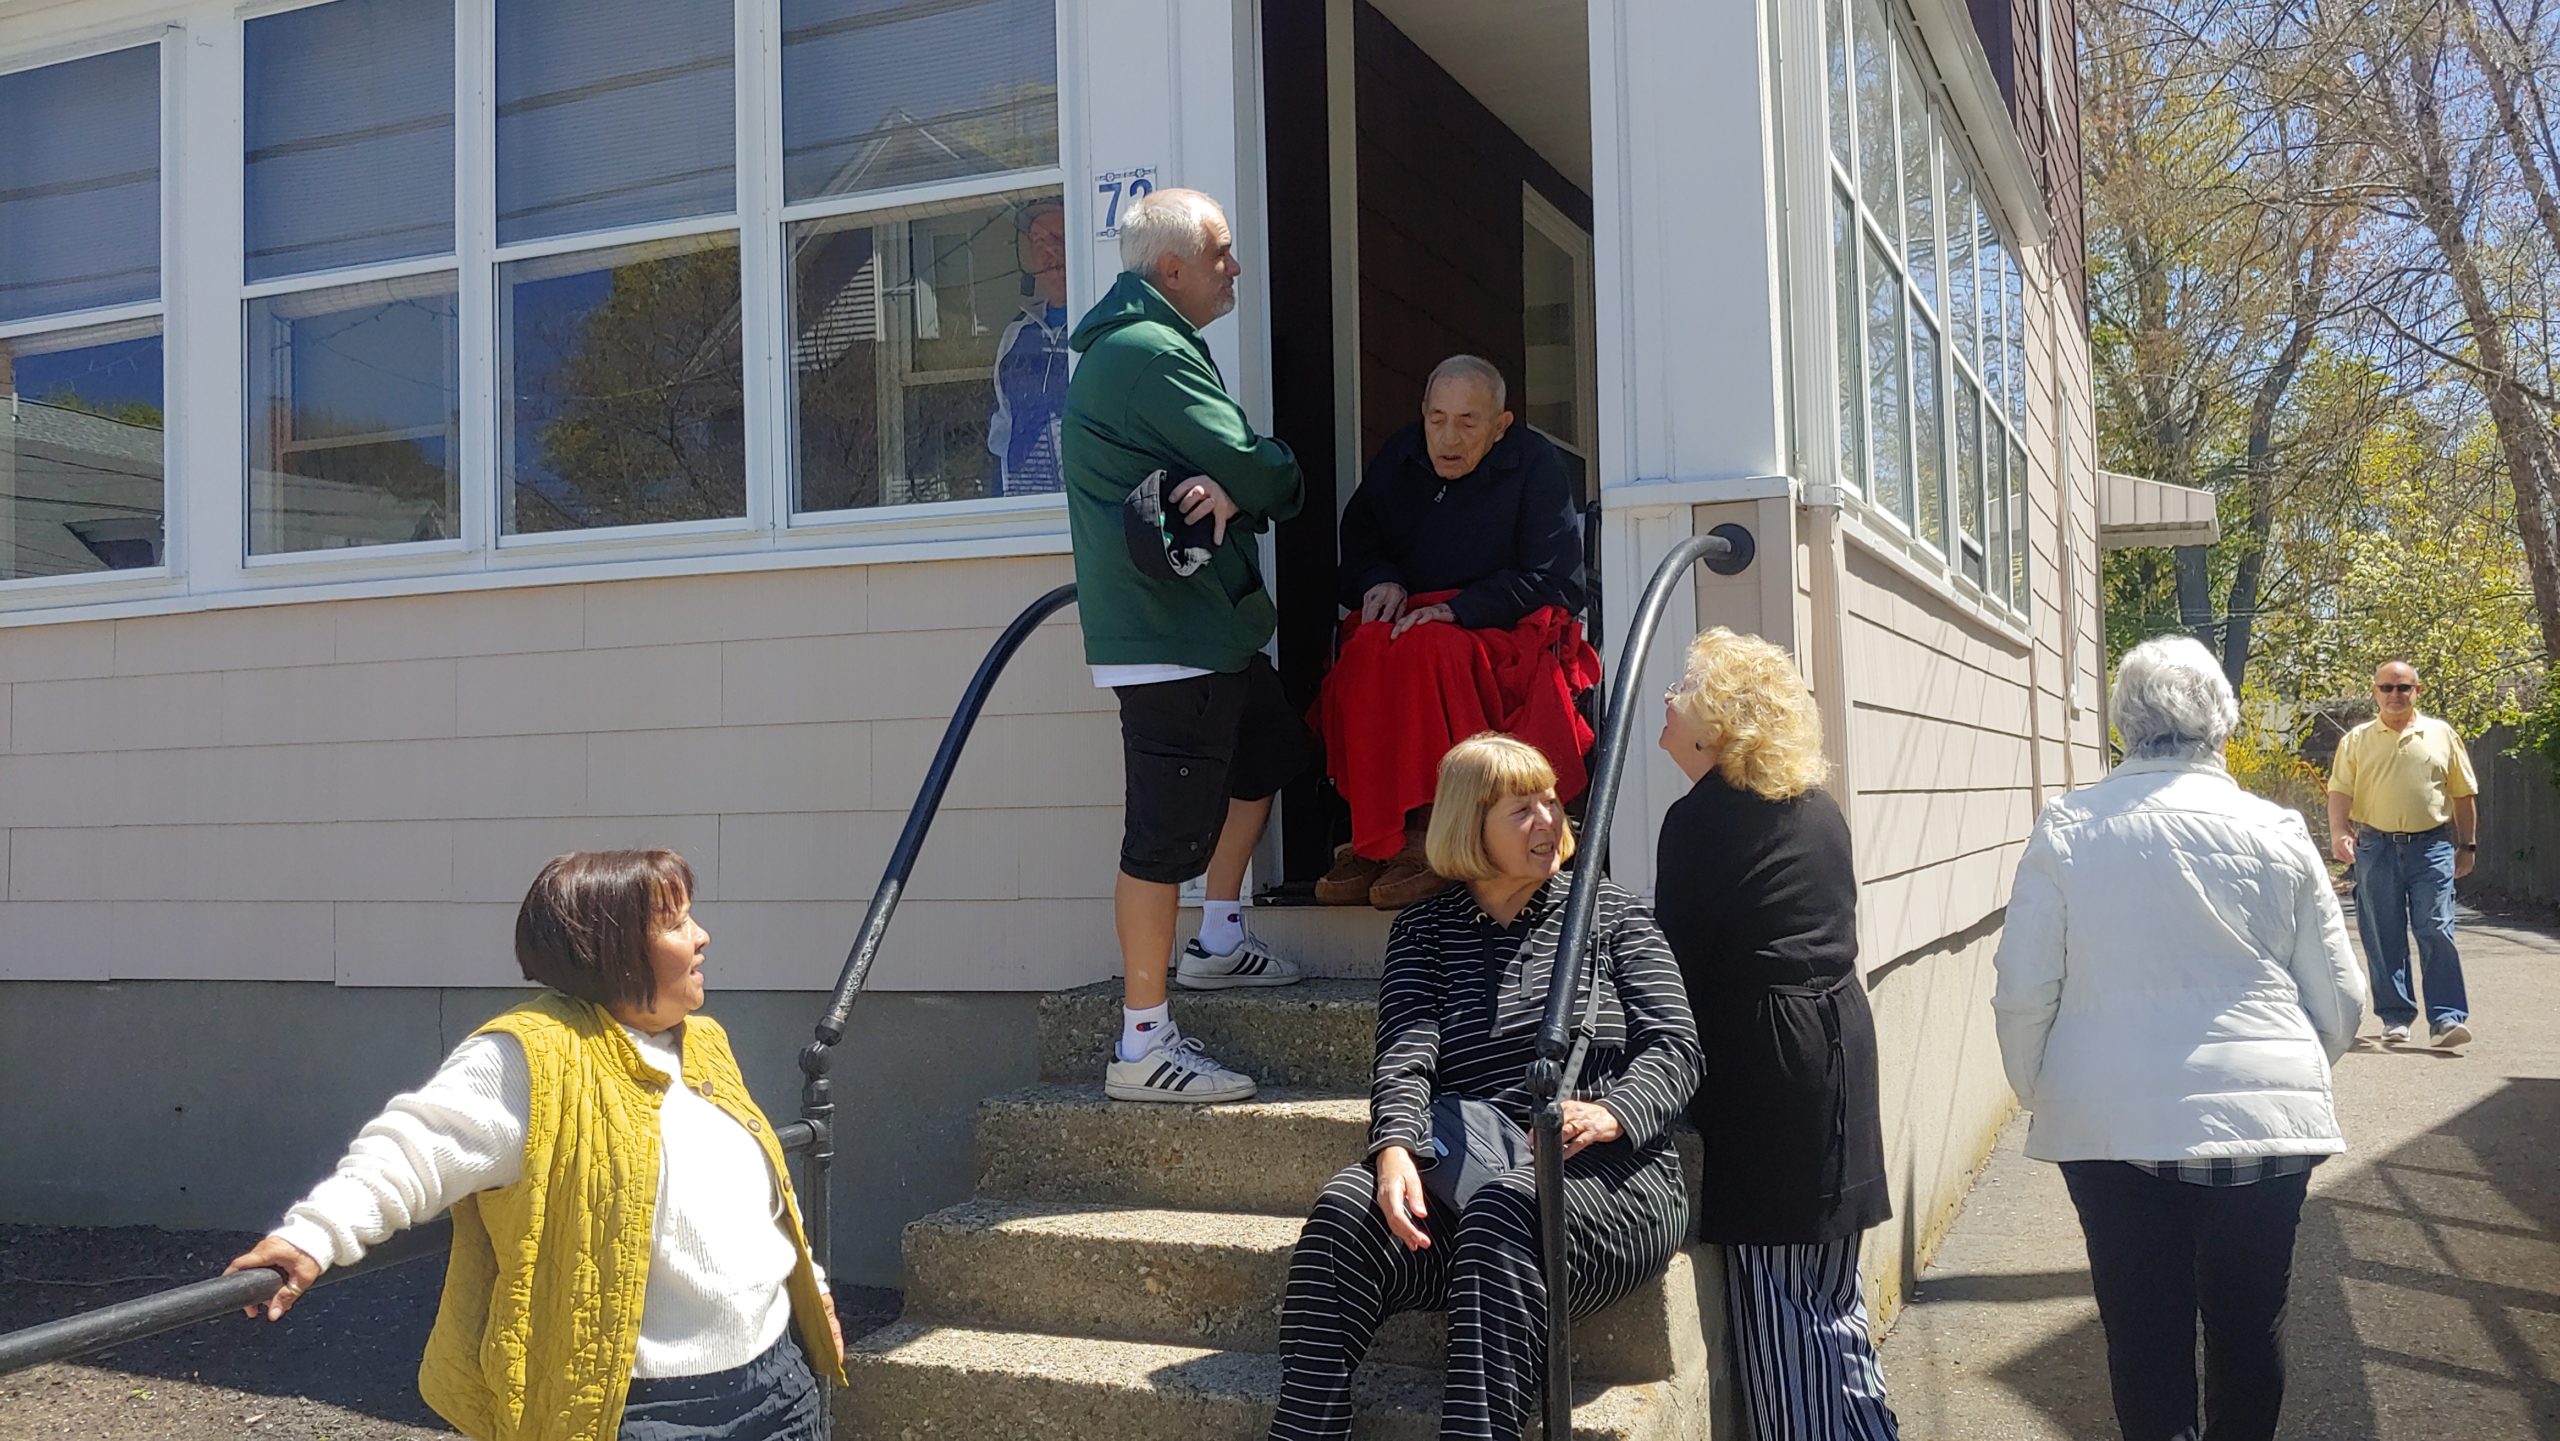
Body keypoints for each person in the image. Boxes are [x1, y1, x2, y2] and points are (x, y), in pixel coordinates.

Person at [223, 850, 846, 1441]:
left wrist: (811, 1287)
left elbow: (757, 1194)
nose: (701, 936)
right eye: (676, 922)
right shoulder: (531, 1056)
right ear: (612, 950)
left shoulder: (703, 1042)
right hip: (643, 1412)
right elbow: (409, 1153)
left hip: (778, 1382)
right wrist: (311, 1237)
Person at [1269, 733, 1699, 1441]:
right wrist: (1395, 1148)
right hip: (1472, 1172)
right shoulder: (1424, 931)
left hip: (1609, 1180)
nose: (1548, 820)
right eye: (1521, 809)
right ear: (1470, 827)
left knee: (1506, 1209)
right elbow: (1405, 1056)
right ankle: (1307, 1428)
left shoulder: (1611, 915)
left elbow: (1675, 1046)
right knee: (1344, 1210)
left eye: (1551, 801)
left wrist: (1613, 1112)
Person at [1994, 637, 2367, 1441]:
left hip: (2113, 1130)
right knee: (2249, 1328)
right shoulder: (2278, 829)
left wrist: (2044, 1091)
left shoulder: (2068, 828)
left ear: (2121, 723)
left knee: (2143, 1337)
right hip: (2265, 1128)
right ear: (2222, 721)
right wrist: (2294, 1068)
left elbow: (2023, 988)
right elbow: (2341, 996)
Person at [1062, 187, 1312, 1105]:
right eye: (1220, 253)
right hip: (1170, 641)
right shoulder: (1148, 354)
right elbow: (1265, 467)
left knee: (1269, 752)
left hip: (1207, 630)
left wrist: (1237, 486)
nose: (1234, 267)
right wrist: (1258, 481)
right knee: (1160, 843)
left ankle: (1218, 937)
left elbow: (1229, 471)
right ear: (1172, 269)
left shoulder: (1148, 345)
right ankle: (1143, 1043)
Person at [1652, 627, 1899, 1440]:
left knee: (1784, 1308)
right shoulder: (1815, 809)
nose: (1668, 699)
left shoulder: (1700, 821)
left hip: (1772, 1068)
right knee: (1830, 1299)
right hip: (1837, 1046)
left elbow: (1676, 975)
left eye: (1686, 689)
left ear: (1719, 724)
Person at [1312, 355, 1593, 910]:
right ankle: (1375, 839)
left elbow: (1557, 581)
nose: (1448, 437)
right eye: (1437, 419)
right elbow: (1361, 545)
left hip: (1497, 622)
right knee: (1366, 649)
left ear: (1500, 425)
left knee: (1429, 649)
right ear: (1422, 413)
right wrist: (1380, 578)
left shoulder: (1534, 465)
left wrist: (1460, 609)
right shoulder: (1401, 455)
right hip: (1413, 616)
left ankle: (1433, 836)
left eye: (1468, 422)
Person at [2326, 659, 2481, 1050]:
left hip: (2431, 847)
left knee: (2436, 926)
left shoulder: (2441, 734)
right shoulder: (2357, 740)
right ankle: (2395, 1017)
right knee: (2383, 933)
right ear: (2375, 692)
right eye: (2387, 688)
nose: (2395, 695)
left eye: (2403, 688)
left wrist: (2467, 846)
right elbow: (2340, 790)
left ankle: (2446, 1018)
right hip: (2375, 847)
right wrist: (2339, 831)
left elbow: (2463, 794)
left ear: (2417, 691)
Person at [986, 197, 1069, 496]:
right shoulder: (1017, 335)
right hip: (1027, 505)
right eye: (1038, 241)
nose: (1050, 251)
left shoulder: (1100, 324)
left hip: (1087, 507)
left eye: (1059, 237)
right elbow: (1002, 429)